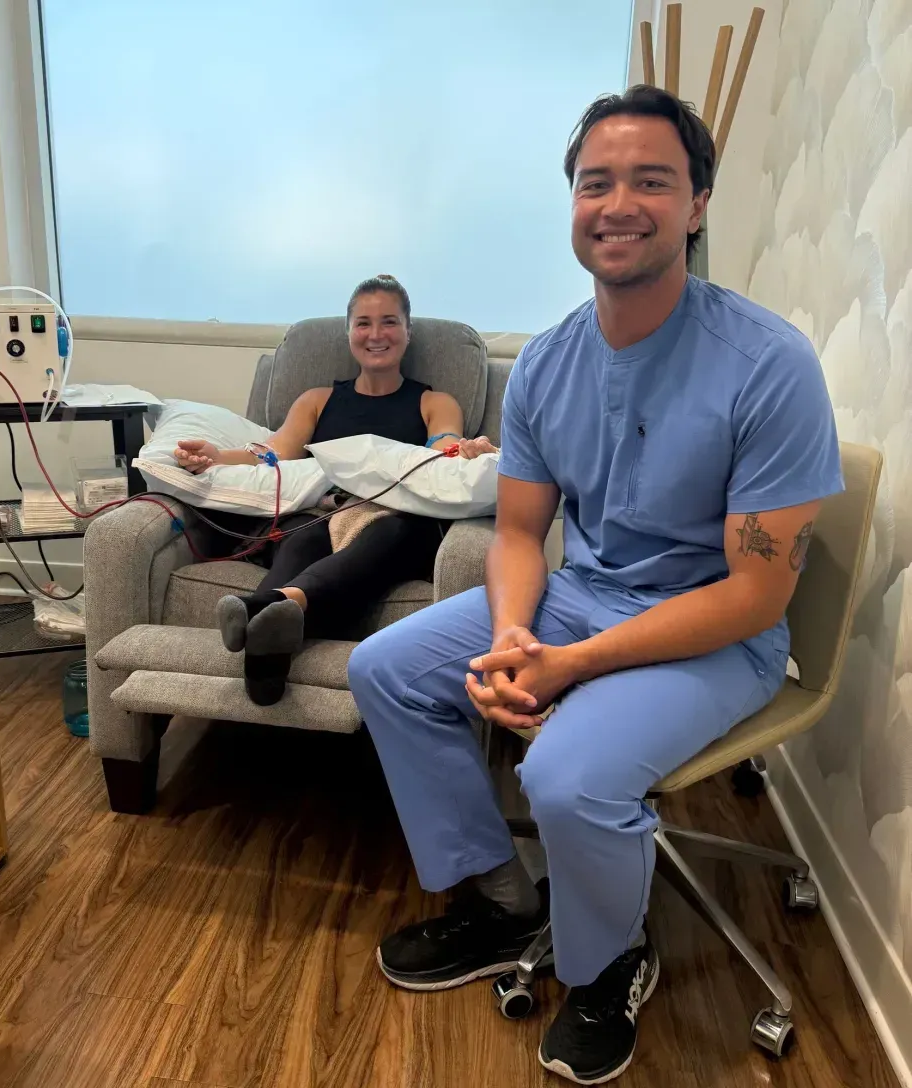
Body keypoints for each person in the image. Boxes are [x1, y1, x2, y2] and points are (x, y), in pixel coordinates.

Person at [347, 86, 843, 1085]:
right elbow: (522, 530)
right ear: (570, 202)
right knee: (386, 666)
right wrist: (514, 636)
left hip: (714, 631)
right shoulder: (543, 365)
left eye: (650, 180)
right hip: (582, 594)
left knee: (564, 776)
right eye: (593, 182)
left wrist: (566, 663)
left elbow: (754, 596)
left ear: (696, 204)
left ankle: (611, 957)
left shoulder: (768, 365)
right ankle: (501, 895)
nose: (616, 203)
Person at [174, 274, 497, 706]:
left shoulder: (434, 402)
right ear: (348, 333)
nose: (376, 334)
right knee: (301, 534)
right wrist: (215, 455)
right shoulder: (317, 400)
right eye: (363, 323)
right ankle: (271, 634)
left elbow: (444, 448)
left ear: (407, 331)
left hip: (395, 522)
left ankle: (262, 609)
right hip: (320, 514)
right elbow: (273, 454)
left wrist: (468, 451)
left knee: (391, 532)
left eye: (389, 322)